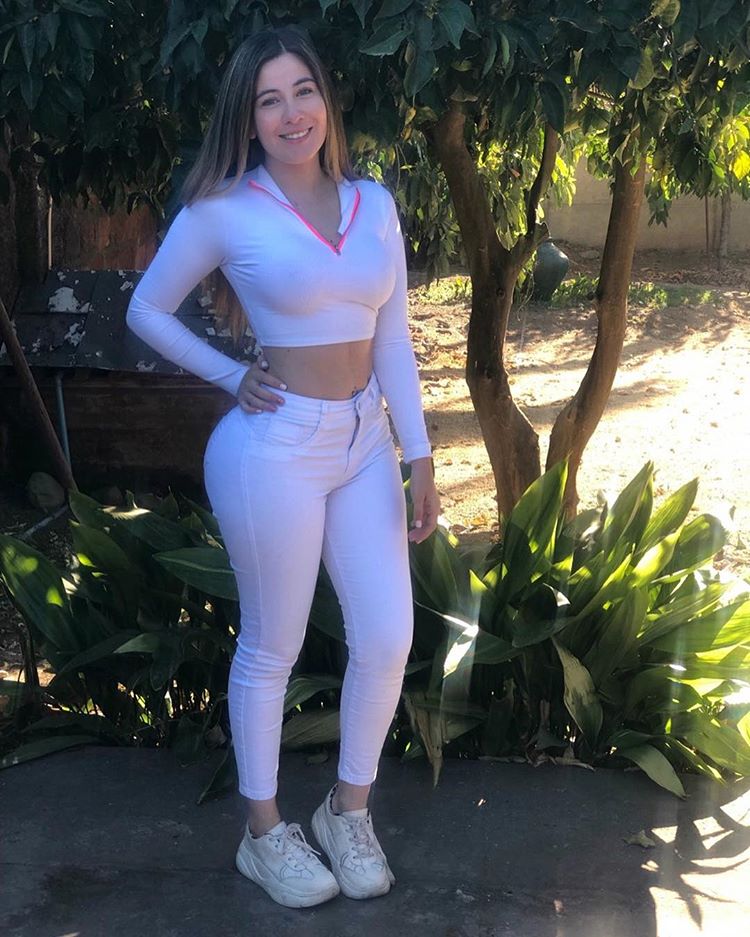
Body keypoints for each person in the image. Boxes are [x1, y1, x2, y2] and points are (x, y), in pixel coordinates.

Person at [126, 24, 440, 909]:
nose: (292, 112)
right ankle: (264, 834)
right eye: (270, 100)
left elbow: (392, 337)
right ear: (249, 118)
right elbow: (147, 308)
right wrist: (232, 376)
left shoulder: (374, 202)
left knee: (388, 634)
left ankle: (348, 811)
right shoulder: (224, 209)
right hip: (274, 447)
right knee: (275, 643)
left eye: (303, 91)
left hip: (364, 441)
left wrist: (418, 451)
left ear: (326, 100)